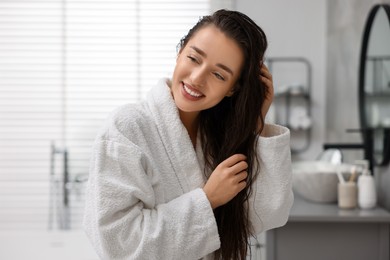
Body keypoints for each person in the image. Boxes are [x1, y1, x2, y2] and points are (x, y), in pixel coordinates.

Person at [83, 9, 293, 260]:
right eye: (194, 58)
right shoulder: (126, 128)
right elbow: (117, 245)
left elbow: (269, 213)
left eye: (218, 74)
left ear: (232, 89)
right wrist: (208, 199)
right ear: (180, 51)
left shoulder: (221, 137)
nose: (196, 78)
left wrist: (258, 121)